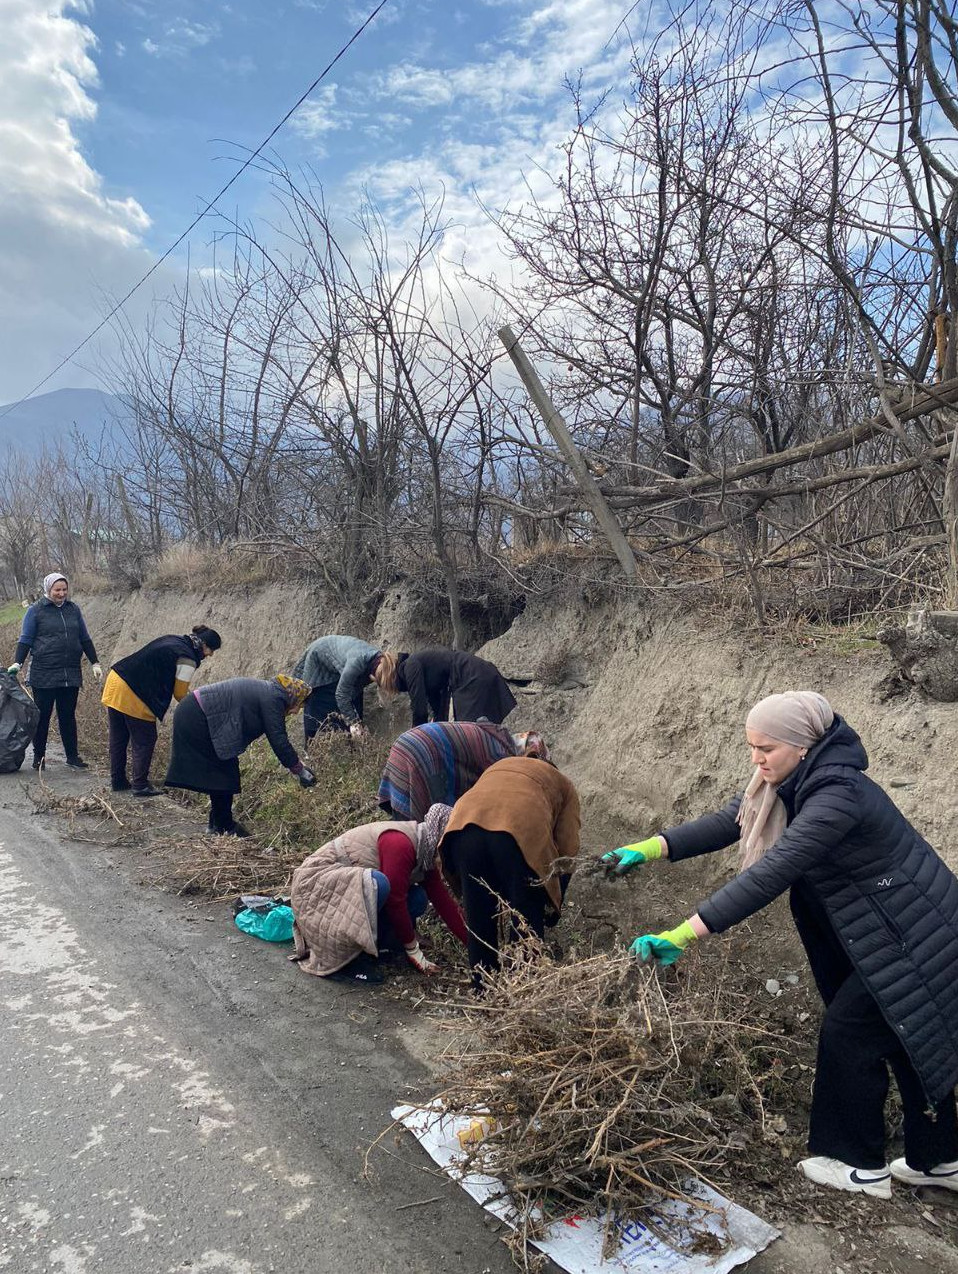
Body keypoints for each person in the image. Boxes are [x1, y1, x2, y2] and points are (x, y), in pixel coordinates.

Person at [606, 691, 958, 1201]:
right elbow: (732, 819)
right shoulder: (793, 782)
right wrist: (652, 847)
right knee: (910, 1037)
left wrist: (685, 934)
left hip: (912, 937)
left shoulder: (838, 796)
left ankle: (858, 1165)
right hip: (887, 930)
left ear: (802, 745)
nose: (756, 759)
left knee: (850, 1033)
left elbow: (774, 871)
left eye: (766, 748)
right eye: (752, 746)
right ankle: (939, 1160)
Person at [440, 754, 580, 989]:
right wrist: (554, 902)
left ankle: (484, 991)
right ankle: (521, 992)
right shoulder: (563, 783)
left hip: (462, 830)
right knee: (526, 914)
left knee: (479, 917)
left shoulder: (499, 766)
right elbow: (567, 850)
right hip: (517, 831)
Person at [290, 803, 468, 980]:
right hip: (316, 883)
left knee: (418, 898)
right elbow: (394, 899)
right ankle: (353, 959)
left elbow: (444, 904)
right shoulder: (401, 843)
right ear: (440, 836)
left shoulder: (425, 854)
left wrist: (475, 946)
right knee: (381, 885)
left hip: (342, 889)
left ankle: (381, 944)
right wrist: (413, 950)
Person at [164, 675, 316, 835]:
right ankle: (224, 826)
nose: (296, 711)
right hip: (198, 716)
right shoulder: (273, 699)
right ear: (293, 697)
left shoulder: (270, 693)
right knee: (224, 773)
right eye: (299, 705)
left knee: (223, 771)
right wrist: (300, 770)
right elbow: (278, 740)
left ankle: (218, 825)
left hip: (196, 712)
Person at [101, 625, 222, 796]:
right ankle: (140, 785)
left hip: (116, 680)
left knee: (119, 737)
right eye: (211, 650)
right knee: (145, 739)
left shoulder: (175, 639)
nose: (210, 655)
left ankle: (118, 781)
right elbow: (180, 693)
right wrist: (199, 707)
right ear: (204, 645)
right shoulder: (187, 658)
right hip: (133, 691)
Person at [7, 572, 101, 770]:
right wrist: (18, 663)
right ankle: (39, 758)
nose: (61, 593)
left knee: (68, 715)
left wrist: (95, 662)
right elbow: (25, 639)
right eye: (57, 590)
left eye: (64, 589)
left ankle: (72, 756)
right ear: (48, 589)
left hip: (70, 672)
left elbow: (84, 638)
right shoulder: (36, 611)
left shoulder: (73, 609)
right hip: (44, 673)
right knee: (43, 716)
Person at [378, 721, 552, 821]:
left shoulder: (494, 736)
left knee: (406, 822)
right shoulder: (500, 756)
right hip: (425, 753)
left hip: (406, 743)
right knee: (432, 819)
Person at [293, 635, 396, 743]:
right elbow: (341, 695)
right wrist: (354, 723)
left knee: (353, 701)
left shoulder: (382, 662)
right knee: (317, 706)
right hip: (319, 661)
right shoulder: (356, 663)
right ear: (372, 676)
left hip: (339, 661)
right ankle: (312, 749)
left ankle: (350, 747)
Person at [394, 648, 517, 728]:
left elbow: (419, 710)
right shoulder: (425, 669)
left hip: (471, 677)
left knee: (470, 735)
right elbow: (438, 708)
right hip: (478, 673)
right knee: (485, 734)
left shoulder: (410, 666)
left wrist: (415, 738)